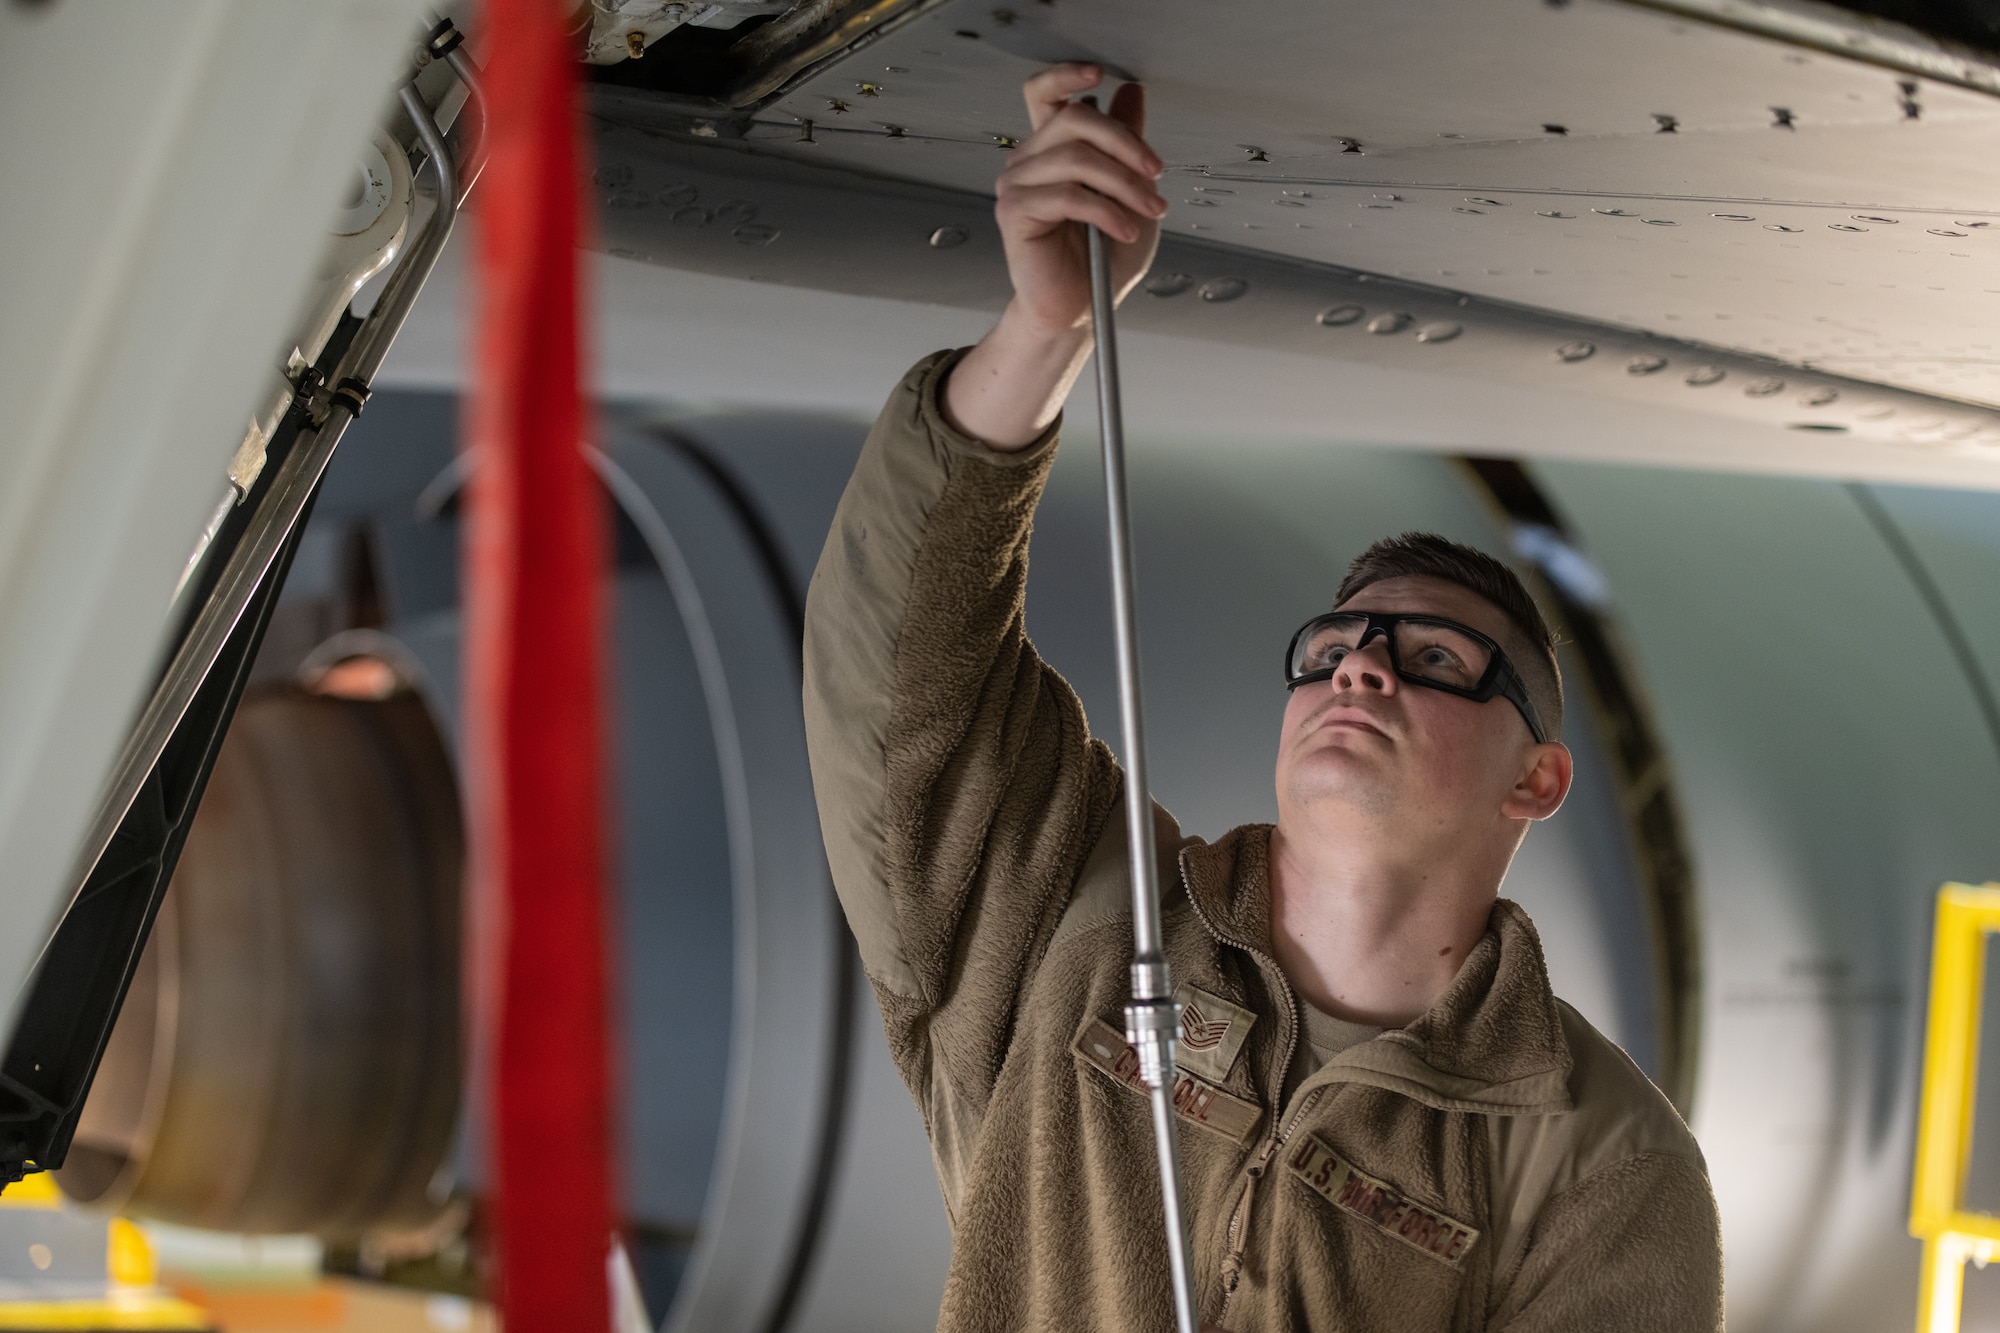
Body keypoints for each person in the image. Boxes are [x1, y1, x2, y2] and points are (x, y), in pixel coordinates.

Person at [803, 61, 1722, 1333]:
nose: (1361, 666)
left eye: (1434, 660)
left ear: (1536, 776)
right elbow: (898, 680)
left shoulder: (1600, 1164)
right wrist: (1045, 333)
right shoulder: (1073, 921)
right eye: (1335, 645)